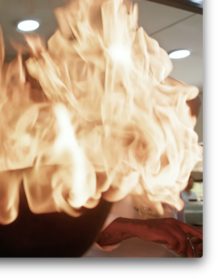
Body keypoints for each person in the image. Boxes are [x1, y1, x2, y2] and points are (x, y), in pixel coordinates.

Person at [82, 90, 203, 258]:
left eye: (188, 125)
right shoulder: (88, 159)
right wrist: (136, 227)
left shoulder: (171, 173)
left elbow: (169, 237)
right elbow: (70, 230)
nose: (182, 135)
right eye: (173, 122)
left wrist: (192, 241)